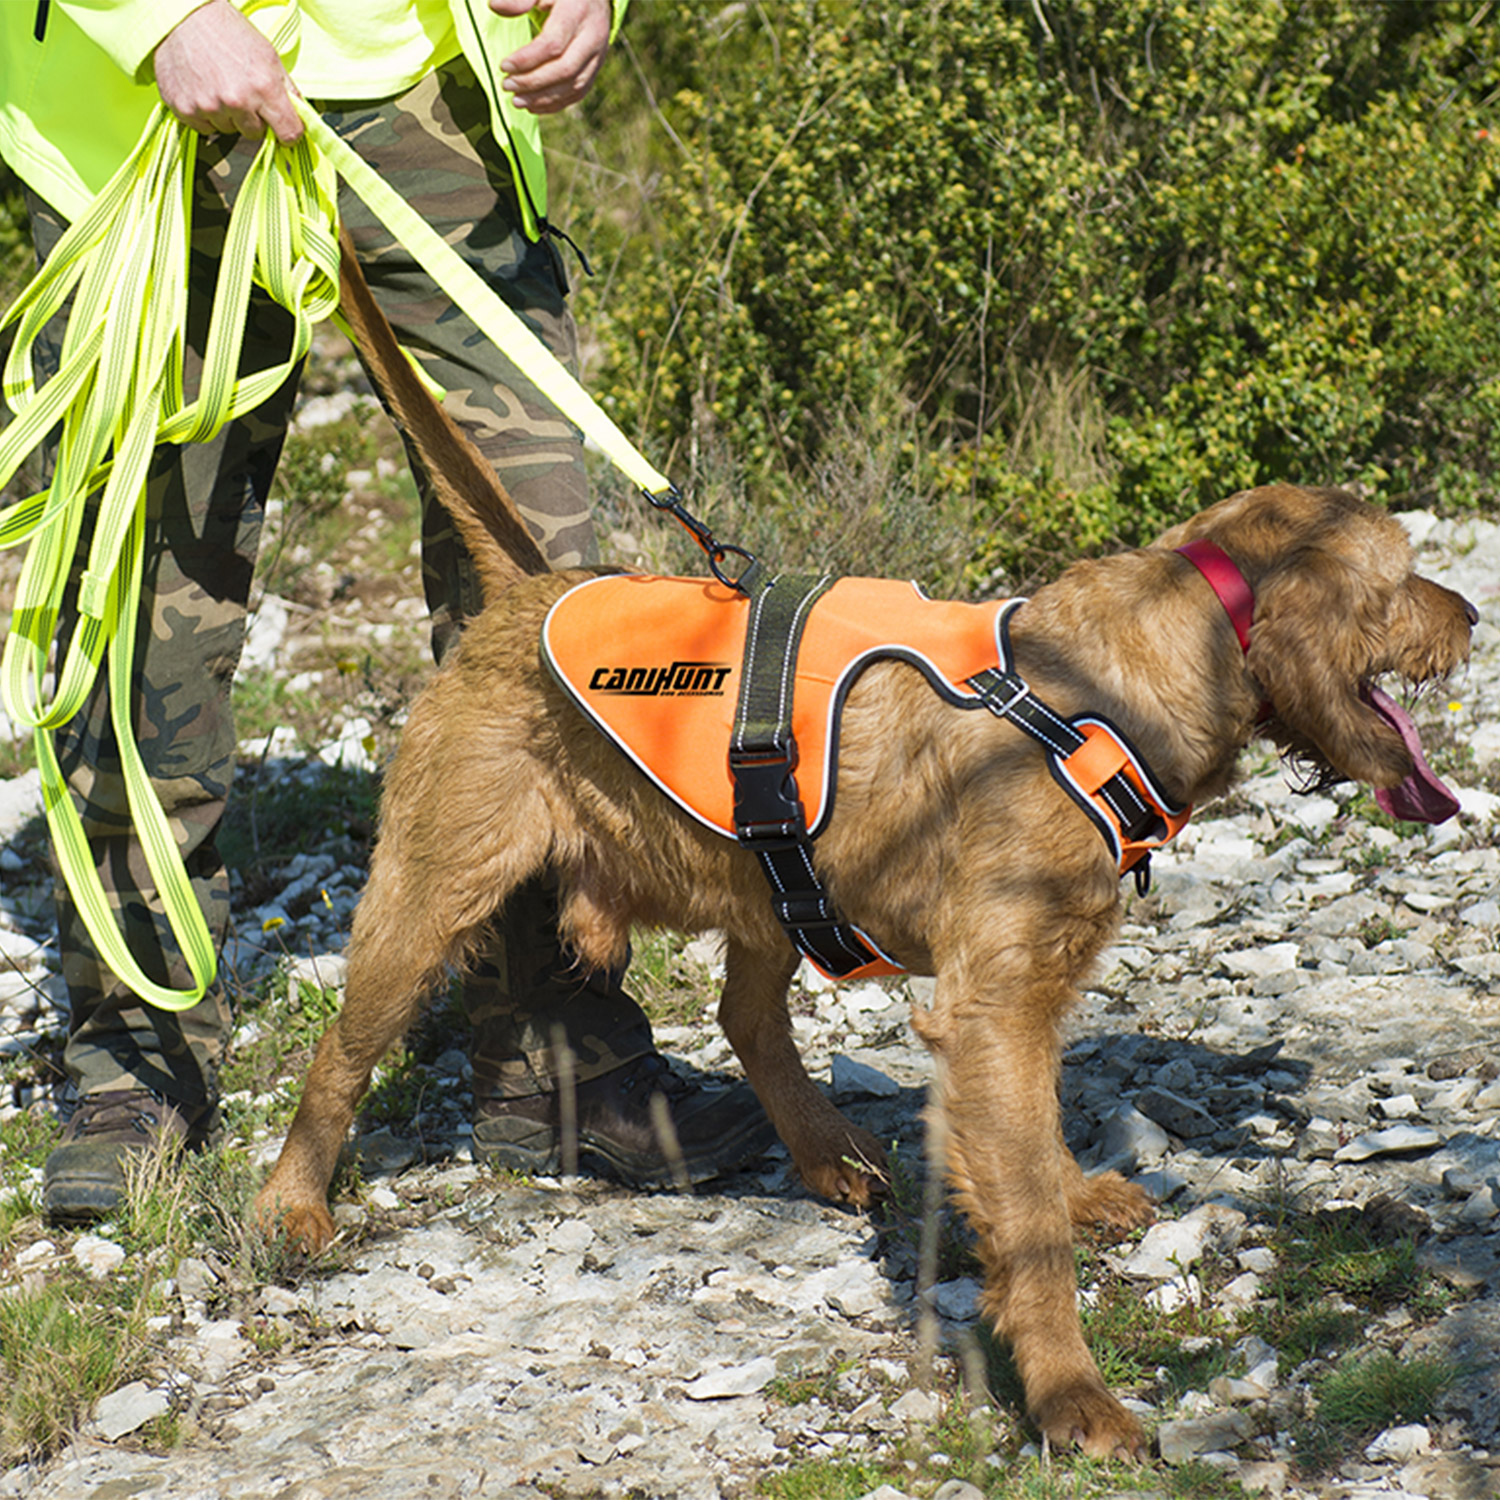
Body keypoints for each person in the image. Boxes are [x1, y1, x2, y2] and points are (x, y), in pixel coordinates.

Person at [0, 0, 775, 1219]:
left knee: (549, 587)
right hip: (143, 108)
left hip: (412, 79)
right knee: (148, 598)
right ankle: (133, 1054)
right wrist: (160, 20)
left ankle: (553, 1049)